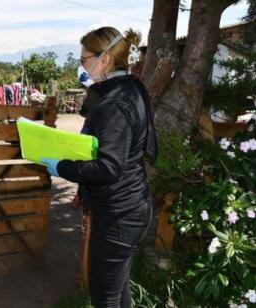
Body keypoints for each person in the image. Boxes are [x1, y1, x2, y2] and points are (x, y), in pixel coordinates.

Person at [41, 27, 158, 308]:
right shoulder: (129, 87)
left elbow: (108, 167)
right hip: (129, 207)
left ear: (104, 59)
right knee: (117, 291)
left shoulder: (115, 103)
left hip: (120, 214)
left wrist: (63, 167)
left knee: (104, 295)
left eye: (84, 60)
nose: (81, 66)